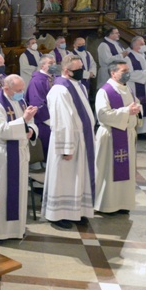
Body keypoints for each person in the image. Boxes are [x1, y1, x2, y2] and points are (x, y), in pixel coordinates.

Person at [0, 75, 38, 243]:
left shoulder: (19, 101)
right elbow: (2, 131)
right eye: (19, 90)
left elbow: (31, 122)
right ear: (6, 88)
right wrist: (24, 120)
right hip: (2, 155)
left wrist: (31, 130)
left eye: (22, 89)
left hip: (19, 152)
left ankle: (15, 229)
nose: (22, 93)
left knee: (18, 191)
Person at [42, 55, 95, 229]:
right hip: (67, 141)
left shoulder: (78, 85)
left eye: (81, 68)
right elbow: (61, 121)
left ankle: (75, 211)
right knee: (64, 178)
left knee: (78, 178)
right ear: (66, 70)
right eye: (77, 69)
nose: (81, 72)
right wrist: (66, 147)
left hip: (82, 139)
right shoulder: (60, 90)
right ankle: (57, 215)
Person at [94, 60, 142, 214]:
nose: (127, 73)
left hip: (127, 134)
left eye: (127, 69)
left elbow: (136, 106)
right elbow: (103, 115)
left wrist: (136, 110)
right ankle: (107, 205)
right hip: (111, 136)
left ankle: (122, 203)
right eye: (123, 70)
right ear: (113, 73)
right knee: (109, 171)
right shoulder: (105, 91)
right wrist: (127, 111)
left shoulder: (128, 88)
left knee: (126, 171)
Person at [25, 55, 60, 157]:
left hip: (56, 118)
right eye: (50, 63)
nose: (54, 65)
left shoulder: (54, 78)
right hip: (45, 122)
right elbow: (37, 103)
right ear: (42, 66)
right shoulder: (37, 81)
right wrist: (51, 121)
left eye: (54, 63)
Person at [126, 36, 146, 135]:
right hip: (134, 86)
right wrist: (144, 73)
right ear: (135, 45)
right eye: (142, 44)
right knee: (137, 106)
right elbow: (128, 74)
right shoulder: (128, 58)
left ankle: (144, 130)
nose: (144, 46)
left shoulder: (145, 56)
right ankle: (136, 130)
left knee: (145, 106)